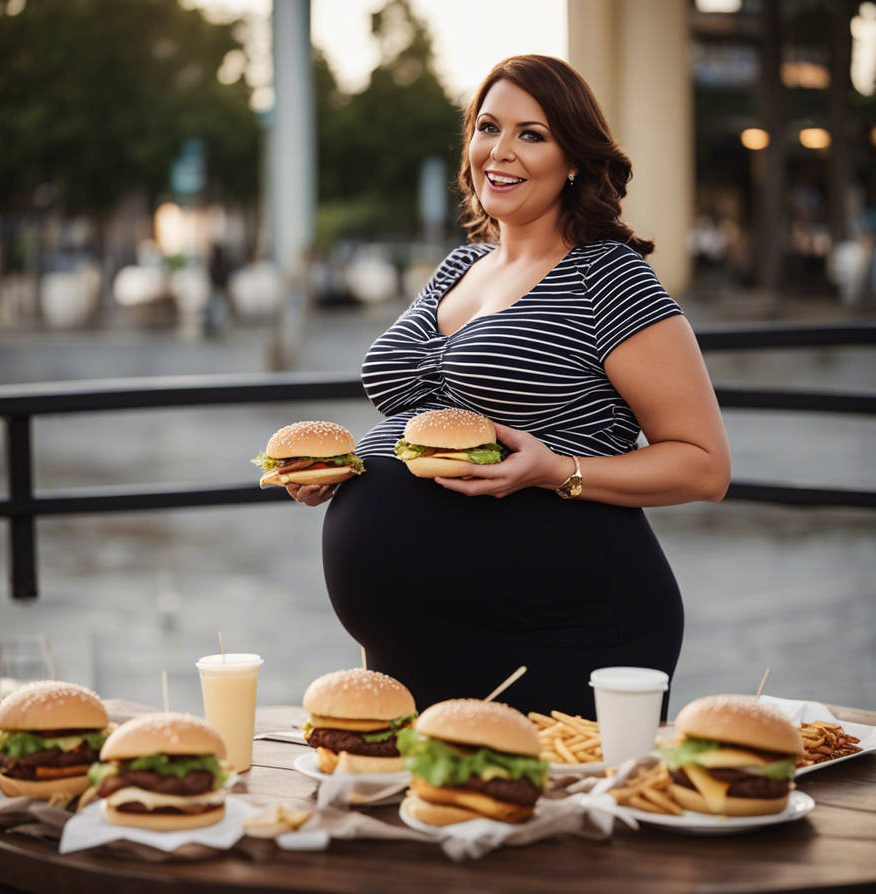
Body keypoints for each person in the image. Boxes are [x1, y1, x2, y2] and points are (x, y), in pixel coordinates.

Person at [287, 55, 730, 718]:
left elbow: (705, 466)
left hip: (565, 630)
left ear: (575, 159)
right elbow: (426, 411)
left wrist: (555, 470)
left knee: (552, 819)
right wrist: (348, 471)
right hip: (414, 644)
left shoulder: (606, 277)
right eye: (488, 126)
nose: (501, 150)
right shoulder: (458, 266)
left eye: (533, 134)